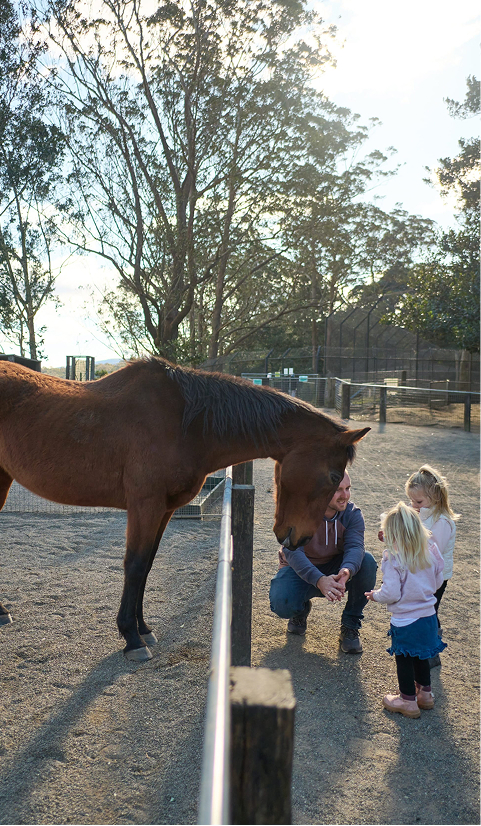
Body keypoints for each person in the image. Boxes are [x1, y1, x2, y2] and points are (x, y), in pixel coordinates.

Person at [269, 471, 377, 654]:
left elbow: (355, 547)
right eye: (338, 490)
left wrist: (346, 572)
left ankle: (350, 625)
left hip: (335, 567)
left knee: (366, 562)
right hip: (300, 570)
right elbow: (293, 552)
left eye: (348, 488)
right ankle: (300, 609)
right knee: (281, 603)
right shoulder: (298, 512)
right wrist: (319, 580)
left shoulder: (352, 514)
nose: (345, 495)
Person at [365, 501, 447, 719]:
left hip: (405, 620)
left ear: (392, 535)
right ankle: (425, 695)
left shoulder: (393, 559)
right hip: (428, 616)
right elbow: (438, 580)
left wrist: (375, 595)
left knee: (404, 659)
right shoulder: (431, 551)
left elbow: (391, 593)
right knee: (421, 656)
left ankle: (408, 701)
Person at [405, 465, 459, 654]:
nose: (413, 505)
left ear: (435, 496)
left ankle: (432, 649)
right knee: (423, 609)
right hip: (422, 572)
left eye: (418, 501)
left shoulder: (442, 521)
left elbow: (433, 550)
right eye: (411, 500)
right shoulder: (422, 513)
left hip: (436, 576)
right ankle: (424, 644)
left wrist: (409, 539)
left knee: (429, 611)